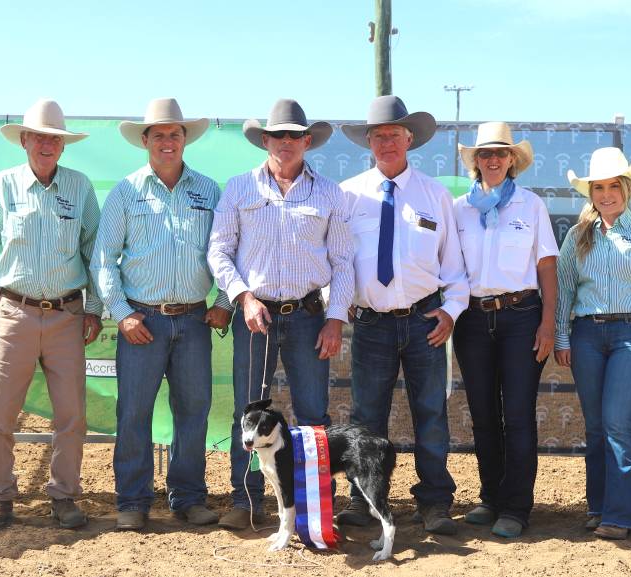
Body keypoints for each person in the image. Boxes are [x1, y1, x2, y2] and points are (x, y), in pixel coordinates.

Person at [207, 99, 354, 530]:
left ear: (307, 141)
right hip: (255, 314)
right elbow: (219, 250)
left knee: (313, 414)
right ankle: (246, 501)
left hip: (310, 314)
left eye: (295, 135)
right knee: (248, 414)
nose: (286, 142)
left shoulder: (330, 192)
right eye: (278, 135)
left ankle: (312, 509)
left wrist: (335, 319)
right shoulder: (238, 188)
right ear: (264, 140)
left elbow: (344, 260)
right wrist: (243, 297)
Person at [92, 97, 231, 531]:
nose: (167, 141)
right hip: (142, 322)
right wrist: (122, 313)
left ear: (184, 139)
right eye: (159, 135)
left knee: (194, 409)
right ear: (145, 141)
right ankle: (132, 500)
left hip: (193, 319)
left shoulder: (209, 190)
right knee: (133, 411)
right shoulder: (126, 191)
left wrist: (224, 302)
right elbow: (103, 258)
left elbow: (228, 249)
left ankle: (188, 496)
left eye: (175, 134)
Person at [0, 98, 101, 530]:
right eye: (39, 137)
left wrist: (94, 307)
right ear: (24, 140)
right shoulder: (2, 186)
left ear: (63, 146)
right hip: (13, 311)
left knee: (71, 414)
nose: (46, 144)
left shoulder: (79, 188)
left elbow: (95, 253)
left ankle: (64, 495)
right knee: (0, 411)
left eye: (54, 139)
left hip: (67, 315)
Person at [336, 95, 469, 535]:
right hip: (372, 322)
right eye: (379, 135)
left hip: (424, 321)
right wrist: (340, 298)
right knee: (366, 417)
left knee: (430, 412)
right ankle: (363, 500)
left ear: (410, 139)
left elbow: (455, 268)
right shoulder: (349, 195)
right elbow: (334, 258)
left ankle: (435, 503)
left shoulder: (435, 196)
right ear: (368, 142)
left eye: (394, 134)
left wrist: (450, 311)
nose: (387, 142)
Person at [553, 147, 631, 540]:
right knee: (597, 426)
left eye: (613, 186)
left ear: (627, 189)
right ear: (591, 192)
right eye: (599, 187)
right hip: (587, 335)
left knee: (619, 422)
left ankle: (621, 515)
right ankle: (599, 506)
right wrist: (561, 336)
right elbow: (566, 289)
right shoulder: (577, 236)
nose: (606, 194)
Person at [450, 122, 558, 538]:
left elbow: (547, 264)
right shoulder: (458, 208)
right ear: (475, 161)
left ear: (513, 160)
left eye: (500, 153)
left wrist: (548, 321)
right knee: (481, 413)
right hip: (472, 319)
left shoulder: (531, 205)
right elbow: (450, 268)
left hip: (521, 315)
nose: (492, 159)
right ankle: (491, 496)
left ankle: (516, 506)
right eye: (484, 153)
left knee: (517, 413)